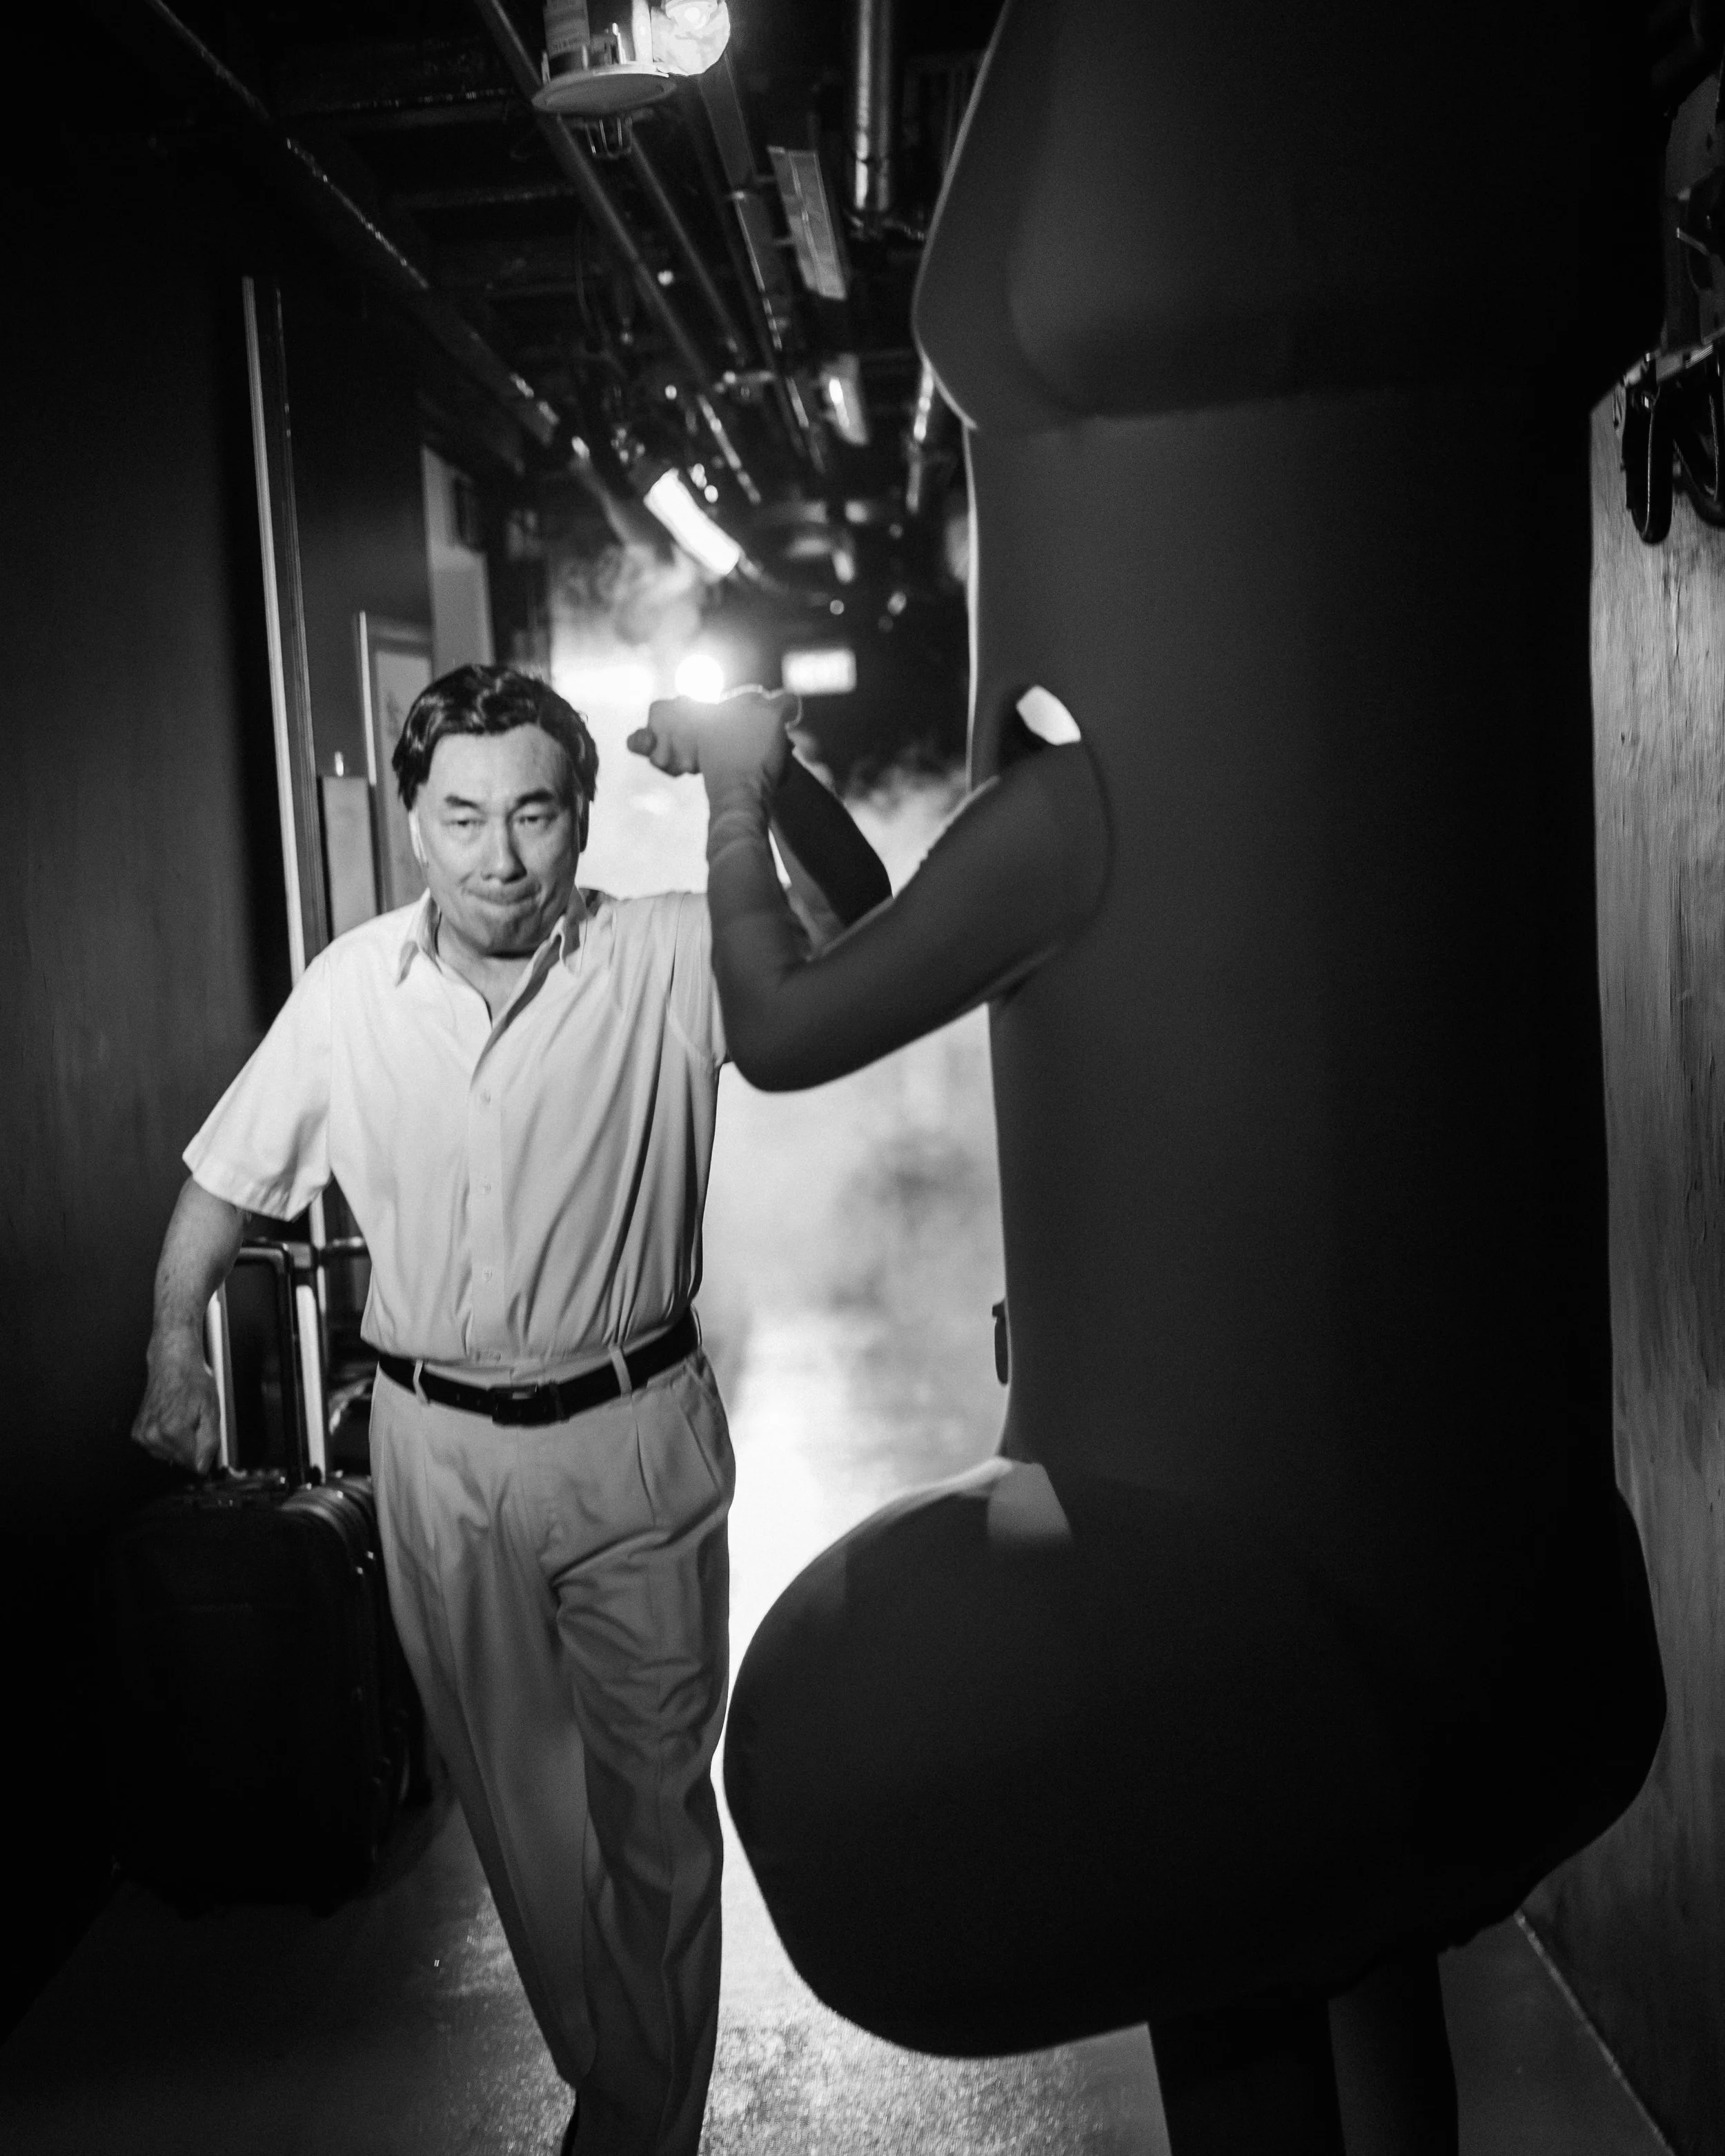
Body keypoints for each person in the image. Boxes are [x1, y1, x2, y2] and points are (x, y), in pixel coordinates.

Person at [633, 2, 1669, 2150]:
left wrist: (729, 802)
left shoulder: (1077, 815)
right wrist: (789, 782)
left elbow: (786, 1024)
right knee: (1376, 1909)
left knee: (1038, 1822)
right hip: (1491, 1567)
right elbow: (896, 910)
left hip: (1223, 1584)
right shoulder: (1380, 703)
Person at [130, 661, 889, 2156]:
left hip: (636, 1438)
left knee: (655, 1810)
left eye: (533, 813)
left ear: (581, 819)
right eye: (465, 816)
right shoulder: (352, 988)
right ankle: (625, 2087)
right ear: (413, 818)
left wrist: (762, 775)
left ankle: (629, 2131)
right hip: (435, 1454)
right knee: (524, 1821)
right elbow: (226, 1178)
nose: (499, 856)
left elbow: (858, 921)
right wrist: (172, 1341)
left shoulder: (670, 951)